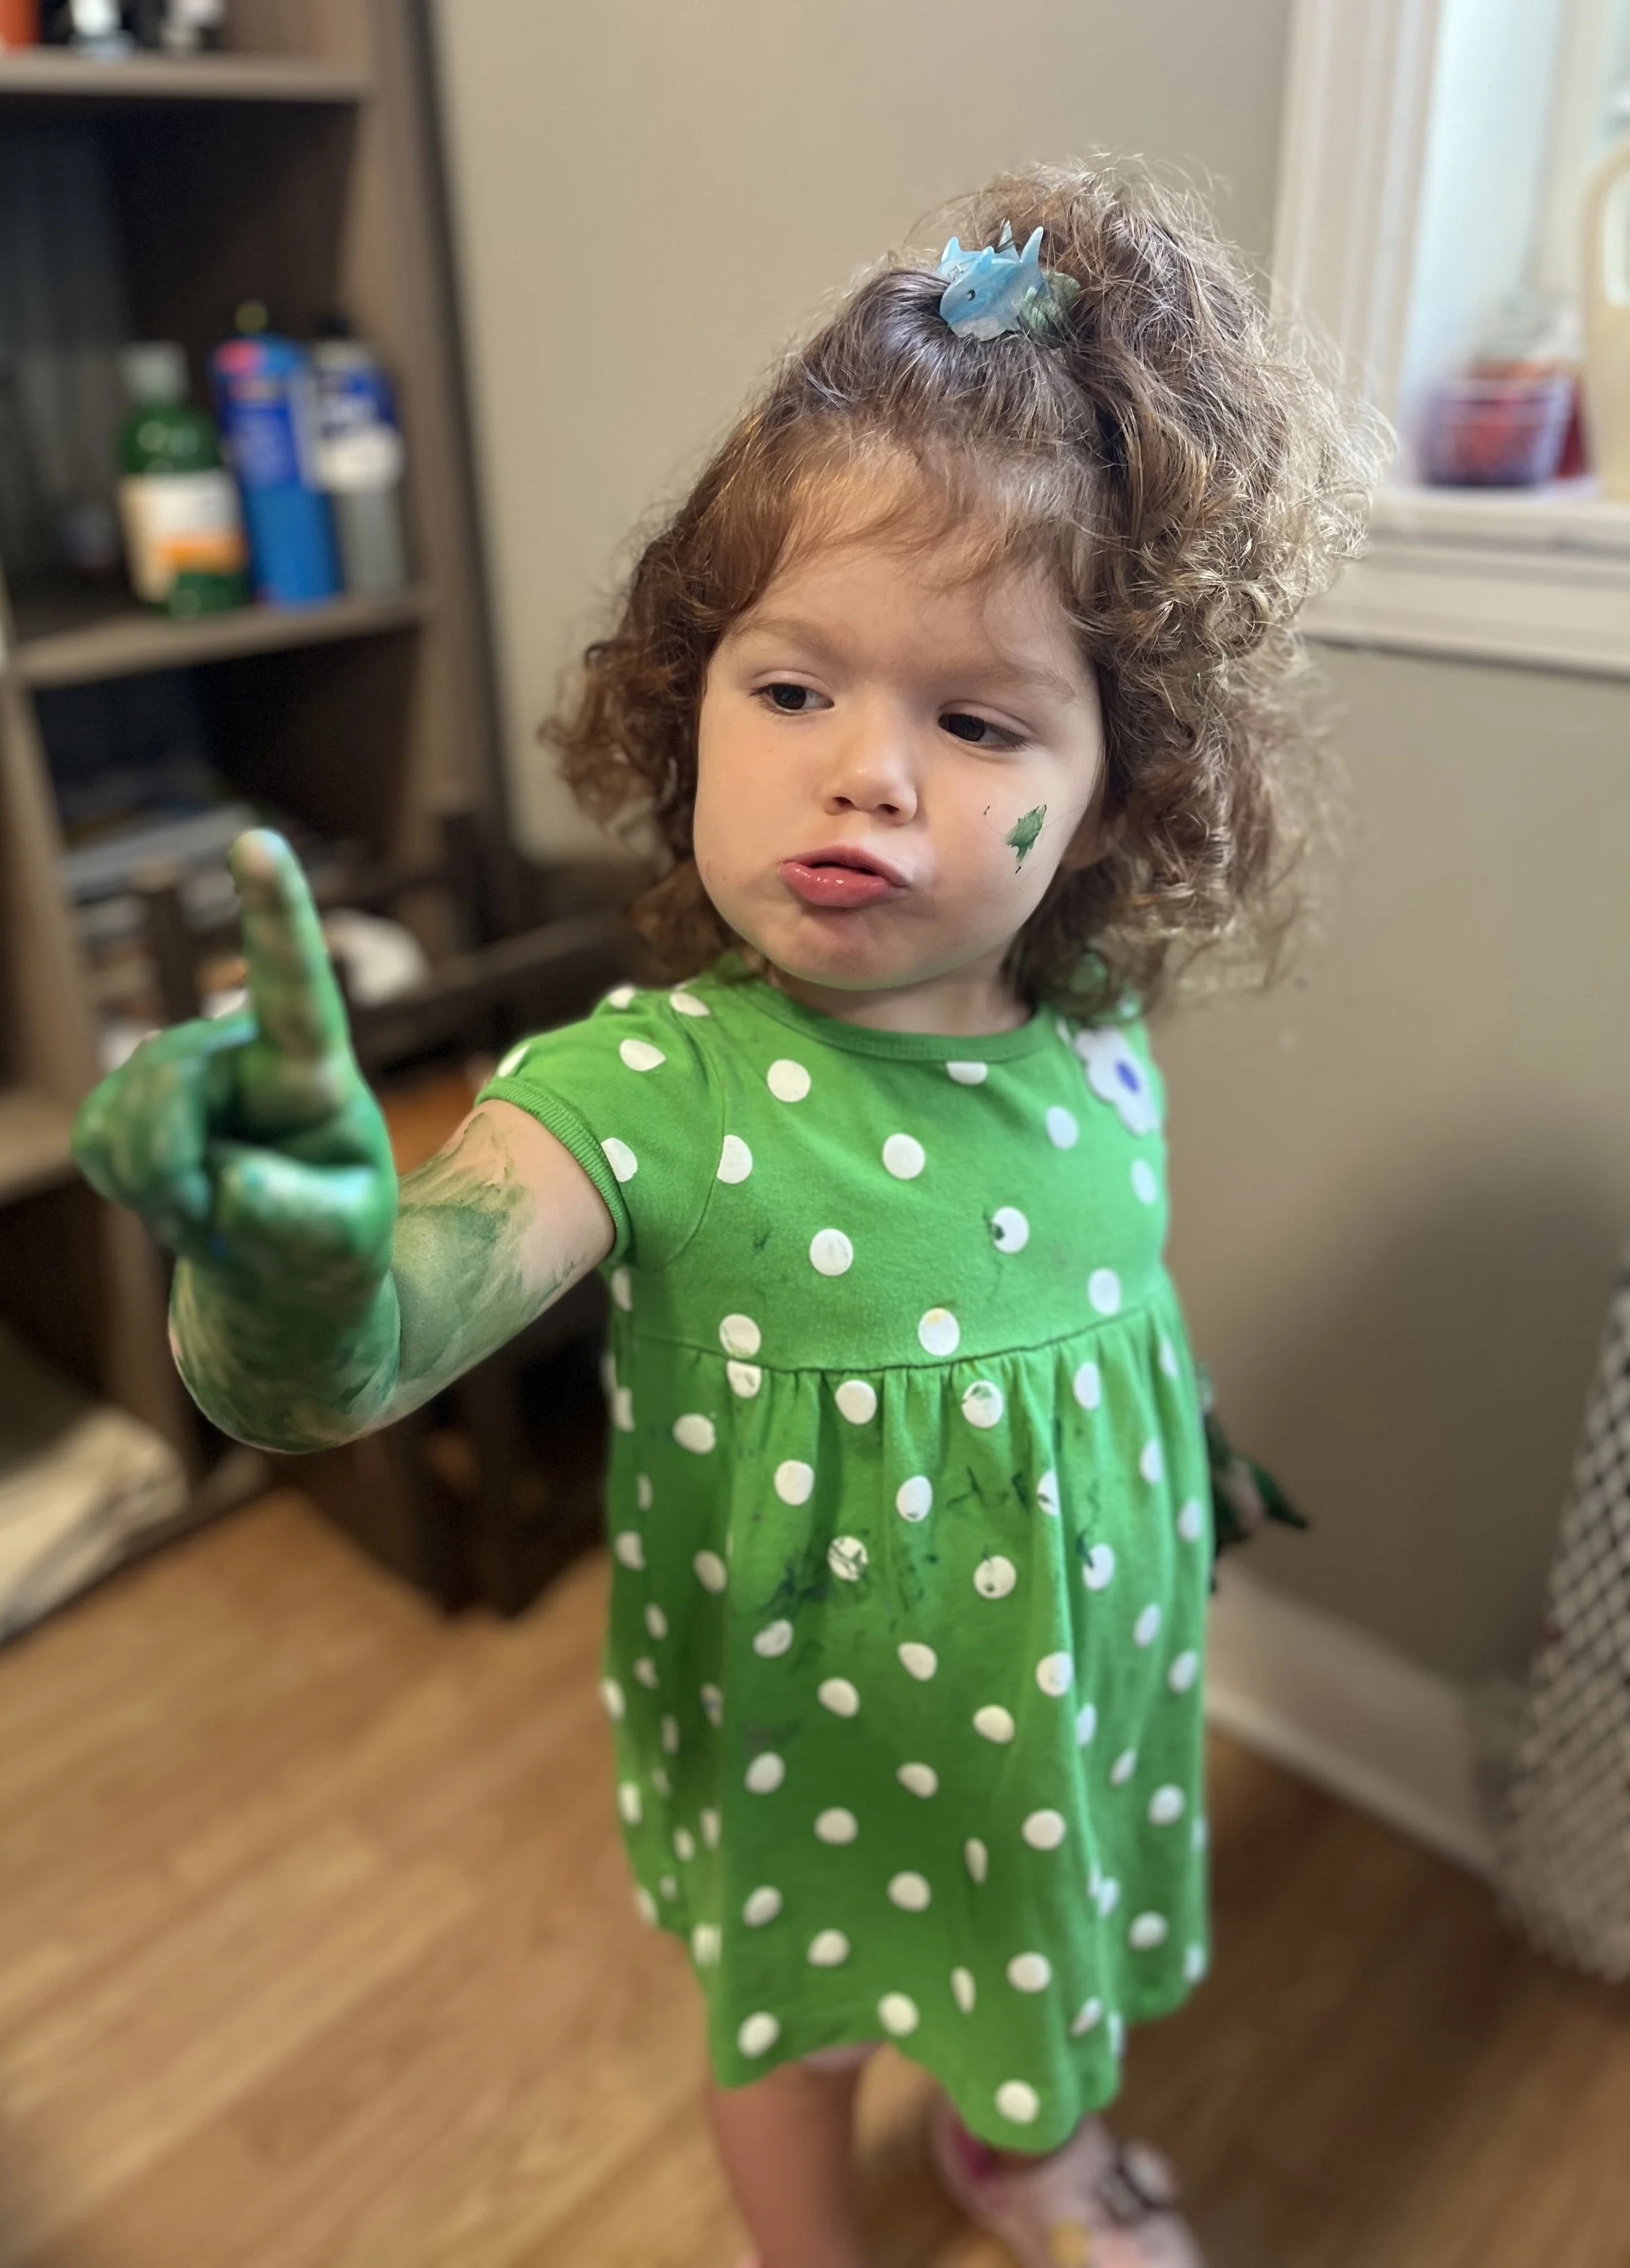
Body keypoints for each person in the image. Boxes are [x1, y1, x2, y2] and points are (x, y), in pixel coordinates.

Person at [74, 164, 1375, 2268]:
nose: (867, 771)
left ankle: (1022, 2155)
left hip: (1077, 1673)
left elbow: (1088, 1307)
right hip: (805, 1756)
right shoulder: (640, 1097)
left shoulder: (1099, 1027)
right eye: (791, 689)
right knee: (792, 2043)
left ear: (1116, 786)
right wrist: (291, 1269)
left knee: (1043, 1959)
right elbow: (362, 1349)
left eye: (973, 721)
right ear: (685, 695)